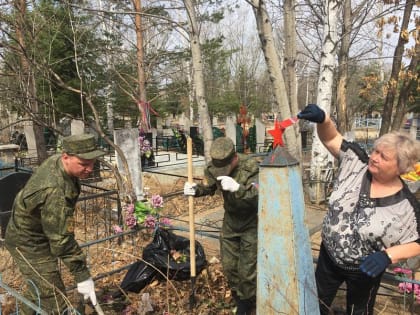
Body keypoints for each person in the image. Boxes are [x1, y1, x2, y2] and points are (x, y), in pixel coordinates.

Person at [298, 104, 420, 315]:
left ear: (401, 167)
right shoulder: (356, 162)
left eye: (384, 157)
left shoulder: (406, 206)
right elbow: (331, 138)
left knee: (359, 311)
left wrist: (388, 256)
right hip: (329, 258)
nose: (374, 157)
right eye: (375, 150)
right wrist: (324, 120)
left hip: (365, 270)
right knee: (314, 303)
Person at [5, 133, 105, 314]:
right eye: (84, 164)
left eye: (93, 162)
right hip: (28, 242)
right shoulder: (55, 191)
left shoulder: (59, 164)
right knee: (54, 298)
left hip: (39, 230)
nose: (90, 169)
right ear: (66, 157)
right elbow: (61, 241)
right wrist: (82, 275)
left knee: (39, 291)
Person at [184, 136, 259, 315]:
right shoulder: (213, 168)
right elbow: (209, 187)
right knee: (230, 266)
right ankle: (240, 298)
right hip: (231, 222)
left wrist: (238, 188)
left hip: (252, 221)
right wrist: (196, 190)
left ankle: (248, 305)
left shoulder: (251, 167)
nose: (220, 171)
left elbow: (261, 194)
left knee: (247, 270)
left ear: (234, 158)